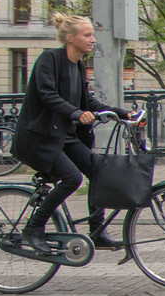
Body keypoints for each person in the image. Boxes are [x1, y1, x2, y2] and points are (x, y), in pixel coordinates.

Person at [11, 14, 133, 253]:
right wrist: (76, 113)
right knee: (72, 179)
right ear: (70, 38)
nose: (93, 40)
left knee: (99, 172)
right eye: (87, 35)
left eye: (93, 35)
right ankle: (33, 228)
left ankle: (96, 233)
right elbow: (48, 95)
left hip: (63, 137)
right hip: (41, 138)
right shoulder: (49, 60)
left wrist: (122, 113)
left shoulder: (77, 64)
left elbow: (87, 100)